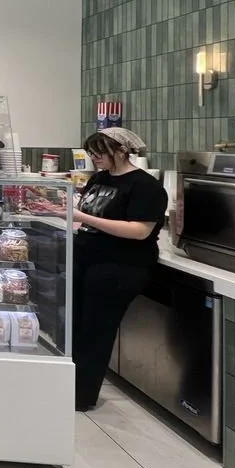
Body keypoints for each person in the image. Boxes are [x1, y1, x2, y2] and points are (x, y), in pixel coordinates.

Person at [59, 127, 168, 411]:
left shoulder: (145, 186)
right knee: (75, 326)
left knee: (96, 331)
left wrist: (82, 217)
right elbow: (87, 214)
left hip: (119, 267)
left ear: (121, 151)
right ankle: (63, 389)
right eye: (92, 152)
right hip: (87, 260)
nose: (94, 158)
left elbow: (139, 231)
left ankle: (81, 397)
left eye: (100, 153)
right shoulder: (100, 179)